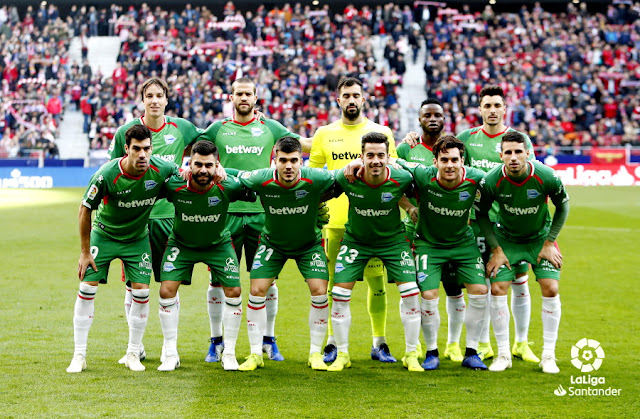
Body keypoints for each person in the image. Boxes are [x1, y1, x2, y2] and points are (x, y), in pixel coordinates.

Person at [198, 77, 311, 363]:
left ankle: (268, 340)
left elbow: (303, 145)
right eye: (239, 93)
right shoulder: (217, 128)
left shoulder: (270, 127)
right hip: (225, 215)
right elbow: (195, 152)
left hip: (263, 214)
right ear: (231, 97)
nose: (244, 98)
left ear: (256, 97)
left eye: (248, 93)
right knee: (218, 280)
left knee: (267, 281)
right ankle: (216, 340)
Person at [67, 125, 180, 373]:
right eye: (136, 149)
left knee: (141, 291)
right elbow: (85, 209)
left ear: (152, 149)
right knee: (86, 287)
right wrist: (85, 252)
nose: (142, 155)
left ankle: (132, 353)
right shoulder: (106, 174)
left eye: (147, 149)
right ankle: (79, 355)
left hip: (137, 238)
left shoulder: (161, 168)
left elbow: (184, 174)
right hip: (104, 235)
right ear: (126, 149)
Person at [108, 77, 204, 365]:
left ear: (166, 99)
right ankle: (134, 347)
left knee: (167, 283)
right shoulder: (125, 132)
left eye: (158, 95)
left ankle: (168, 348)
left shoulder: (182, 128)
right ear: (142, 99)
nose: (154, 100)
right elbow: (114, 173)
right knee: (133, 286)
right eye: (148, 95)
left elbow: (212, 139)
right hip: (136, 221)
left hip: (169, 217)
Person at [309, 76, 399, 364]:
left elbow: (394, 169)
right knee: (335, 284)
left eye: (355, 95)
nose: (351, 100)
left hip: (373, 222)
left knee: (377, 283)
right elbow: (314, 178)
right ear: (338, 100)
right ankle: (333, 342)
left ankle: (379, 342)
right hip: (335, 223)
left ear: (364, 99)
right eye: (345, 95)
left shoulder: (380, 132)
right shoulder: (324, 133)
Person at [228, 137, 336, 371]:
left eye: (294, 161)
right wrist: (217, 167)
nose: (289, 166)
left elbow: (342, 178)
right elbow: (236, 175)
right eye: (283, 160)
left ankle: (315, 353)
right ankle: (256, 354)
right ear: (274, 160)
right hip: (272, 245)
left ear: (301, 160)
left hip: (308, 245)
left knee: (319, 291)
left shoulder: (315, 177)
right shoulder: (261, 178)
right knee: (256, 291)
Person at [156, 141, 256, 372]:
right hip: (181, 244)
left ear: (216, 165)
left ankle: (228, 353)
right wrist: (174, 170)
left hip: (218, 244)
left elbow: (253, 186)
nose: (203, 170)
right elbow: (154, 177)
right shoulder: (175, 185)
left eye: (208, 165)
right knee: (166, 290)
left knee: (234, 291)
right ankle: (170, 353)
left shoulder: (227, 185)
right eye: (197, 164)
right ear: (189, 164)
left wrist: (229, 173)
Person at [327, 132, 422, 372]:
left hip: (392, 242)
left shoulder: (402, 177)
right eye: (370, 155)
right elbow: (320, 190)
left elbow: (396, 192)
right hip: (356, 242)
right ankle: (343, 354)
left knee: (410, 293)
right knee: (338, 294)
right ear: (362, 156)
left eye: (381, 155)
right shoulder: (347, 176)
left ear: (389, 156)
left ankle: (411, 354)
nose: (376, 160)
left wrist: (409, 206)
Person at [475, 131, 569, 373]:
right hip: (506, 241)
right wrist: (496, 249)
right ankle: (503, 354)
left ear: (528, 153)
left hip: (540, 239)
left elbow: (563, 206)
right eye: (508, 153)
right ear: (501, 155)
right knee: (497, 288)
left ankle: (548, 355)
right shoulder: (491, 180)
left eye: (518, 152)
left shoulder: (546, 175)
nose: (513, 157)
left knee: (551, 287)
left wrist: (550, 242)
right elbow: (481, 214)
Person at [457, 85, 537, 362]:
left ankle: (522, 342)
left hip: (512, 225)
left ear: (505, 108)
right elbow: (450, 166)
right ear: (479, 109)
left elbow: (533, 178)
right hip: (478, 224)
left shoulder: (518, 139)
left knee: (519, 281)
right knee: (484, 284)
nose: (492, 110)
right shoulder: (466, 138)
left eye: (497, 105)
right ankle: (483, 343)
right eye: (487, 105)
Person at [396, 136, 489, 371]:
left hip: (463, 244)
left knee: (480, 291)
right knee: (428, 294)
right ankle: (431, 352)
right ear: (435, 161)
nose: (449, 165)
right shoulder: (422, 174)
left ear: (462, 161)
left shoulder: (476, 178)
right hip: (429, 244)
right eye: (444, 159)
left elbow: (503, 175)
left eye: (454, 160)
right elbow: (392, 161)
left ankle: (471, 351)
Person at [396, 98, 468, 363]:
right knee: (410, 289)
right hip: (414, 230)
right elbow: (392, 182)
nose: (433, 119)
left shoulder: (455, 149)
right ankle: (413, 346)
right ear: (419, 119)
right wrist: (407, 206)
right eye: (427, 115)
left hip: (449, 230)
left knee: (454, 289)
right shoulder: (407, 148)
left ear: (444, 118)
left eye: (438, 114)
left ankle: (452, 345)